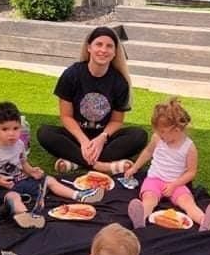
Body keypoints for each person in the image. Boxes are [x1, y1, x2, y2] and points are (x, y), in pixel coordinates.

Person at [0, 101, 104, 229]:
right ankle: (25, 216)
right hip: (0, 187)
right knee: (13, 197)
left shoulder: (19, 144)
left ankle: (79, 195)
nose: (11, 133)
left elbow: (22, 162)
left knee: (49, 180)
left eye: (15, 128)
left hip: (19, 179)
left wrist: (31, 171)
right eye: (5, 129)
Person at [36, 27, 148, 175]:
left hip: (105, 139)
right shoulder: (72, 74)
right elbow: (66, 116)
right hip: (76, 136)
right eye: (99, 44)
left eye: (109, 46)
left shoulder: (120, 82)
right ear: (89, 47)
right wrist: (83, 141)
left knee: (139, 135)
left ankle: (75, 162)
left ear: (115, 52)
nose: (103, 50)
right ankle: (102, 166)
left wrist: (101, 139)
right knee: (45, 133)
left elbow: (116, 121)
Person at [124, 97, 210, 231]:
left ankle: (204, 221)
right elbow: (148, 152)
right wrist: (135, 168)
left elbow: (191, 172)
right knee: (149, 199)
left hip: (176, 183)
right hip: (154, 179)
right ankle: (140, 219)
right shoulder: (157, 138)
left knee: (188, 202)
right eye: (157, 131)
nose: (159, 134)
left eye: (162, 132)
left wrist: (174, 184)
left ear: (176, 130)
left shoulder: (189, 148)